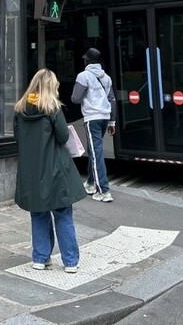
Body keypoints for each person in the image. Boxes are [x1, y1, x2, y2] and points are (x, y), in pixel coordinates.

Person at [13, 69, 86, 273]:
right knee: (62, 213)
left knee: (38, 213)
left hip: (31, 171)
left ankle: (40, 258)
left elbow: (18, 138)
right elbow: (63, 137)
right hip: (53, 169)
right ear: (50, 86)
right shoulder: (52, 108)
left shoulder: (20, 108)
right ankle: (70, 262)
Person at [72, 48, 116, 202]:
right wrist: (112, 121)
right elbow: (112, 99)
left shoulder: (83, 76)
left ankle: (104, 190)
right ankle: (90, 183)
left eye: (85, 59)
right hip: (105, 117)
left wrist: (85, 94)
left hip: (92, 118)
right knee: (93, 149)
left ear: (88, 61)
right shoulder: (107, 78)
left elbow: (75, 98)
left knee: (96, 152)